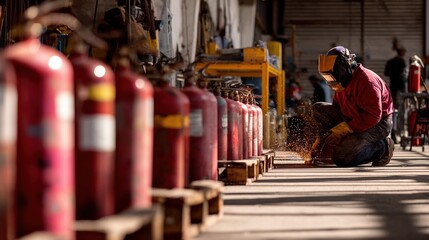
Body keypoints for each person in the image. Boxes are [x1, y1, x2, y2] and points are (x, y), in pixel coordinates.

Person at [310, 46, 394, 167]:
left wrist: (344, 129)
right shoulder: (341, 80)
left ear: (344, 67)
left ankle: (382, 147)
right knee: (318, 108)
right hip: (353, 117)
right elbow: (336, 108)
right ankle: (332, 148)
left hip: (378, 123)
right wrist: (324, 138)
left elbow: (373, 116)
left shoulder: (368, 82)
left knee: (342, 158)